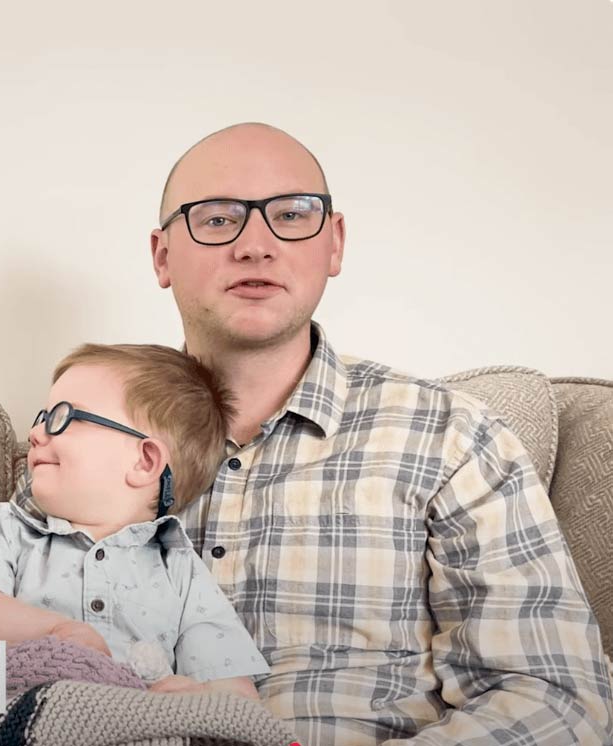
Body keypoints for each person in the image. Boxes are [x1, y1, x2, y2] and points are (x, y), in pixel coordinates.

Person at [135, 122, 611, 743]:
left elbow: (557, 698)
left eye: (291, 213)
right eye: (218, 219)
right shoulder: (80, 433)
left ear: (333, 244)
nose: (256, 244)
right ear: (162, 256)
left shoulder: (453, 440)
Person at [0, 343, 269, 699]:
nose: (34, 433)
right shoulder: (11, 528)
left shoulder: (180, 569)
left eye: (61, 417)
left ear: (144, 461)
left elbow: (234, 686)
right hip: (10, 703)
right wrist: (57, 631)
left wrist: (195, 696)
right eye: (40, 418)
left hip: (120, 723)